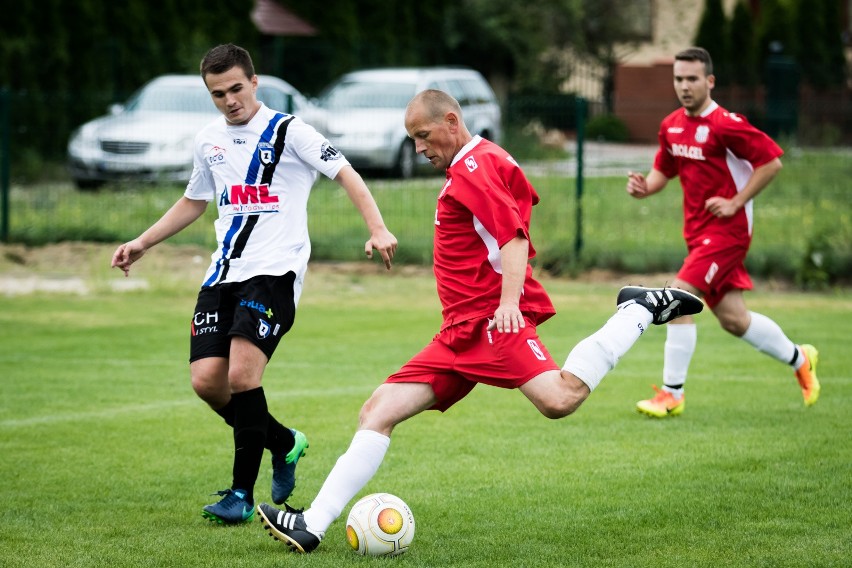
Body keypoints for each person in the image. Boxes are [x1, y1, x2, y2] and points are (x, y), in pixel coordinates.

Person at [254, 89, 703, 553]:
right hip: (457, 333)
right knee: (378, 410)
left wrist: (509, 303)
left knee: (560, 398)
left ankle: (639, 310)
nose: (420, 148)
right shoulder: (481, 160)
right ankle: (312, 523)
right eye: (412, 140)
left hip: (490, 323)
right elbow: (516, 202)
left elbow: (513, 235)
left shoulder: (473, 166)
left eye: (424, 136)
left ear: (452, 121)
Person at [110, 44, 398, 524]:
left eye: (236, 88)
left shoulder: (290, 131)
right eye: (217, 93)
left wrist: (378, 227)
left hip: (275, 271)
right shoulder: (208, 140)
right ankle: (284, 442)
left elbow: (345, 173)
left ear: (254, 81)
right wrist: (143, 242)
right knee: (207, 382)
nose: (229, 100)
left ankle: (240, 496)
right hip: (223, 272)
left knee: (243, 377)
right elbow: (194, 201)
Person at [625, 47, 820, 418]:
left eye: (692, 79)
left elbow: (771, 163)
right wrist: (644, 188)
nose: (684, 86)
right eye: (679, 79)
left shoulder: (727, 124)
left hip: (728, 232)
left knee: (678, 297)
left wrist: (735, 201)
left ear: (709, 81)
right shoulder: (672, 126)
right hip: (698, 235)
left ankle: (671, 394)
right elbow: (662, 173)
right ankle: (801, 358)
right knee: (734, 320)